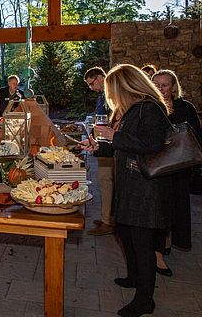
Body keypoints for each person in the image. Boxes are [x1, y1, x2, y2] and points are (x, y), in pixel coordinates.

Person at [85, 64, 171, 317]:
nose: (110, 96)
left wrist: (113, 135)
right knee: (126, 233)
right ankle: (133, 277)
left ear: (125, 86)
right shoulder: (133, 109)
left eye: (112, 90)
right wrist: (99, 148)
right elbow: (125, 145)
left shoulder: (150, 108)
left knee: (142, 245)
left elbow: (153, 144)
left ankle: (145, 301)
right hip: (131, 184)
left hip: (146, 189)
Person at [152, 69, 202, 277]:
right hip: (158, 167)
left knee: (177, 206)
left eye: (164, 85)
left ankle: (169, 240)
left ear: (173, 88)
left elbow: (195, 136)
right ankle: (159, 252)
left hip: (179, 167)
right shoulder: (150, 106)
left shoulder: (186, 108)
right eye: (156, 85)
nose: (160, 89)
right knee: (160, 209)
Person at [84, 66, 115, 236]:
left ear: (100, 78)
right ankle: (107, 217)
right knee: (104, 181)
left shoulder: (111, 94)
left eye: (91, 83)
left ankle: (108, 222)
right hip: (103, 144)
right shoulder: (102, 95)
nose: (91, 88)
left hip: (108, 144)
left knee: (105, 180)